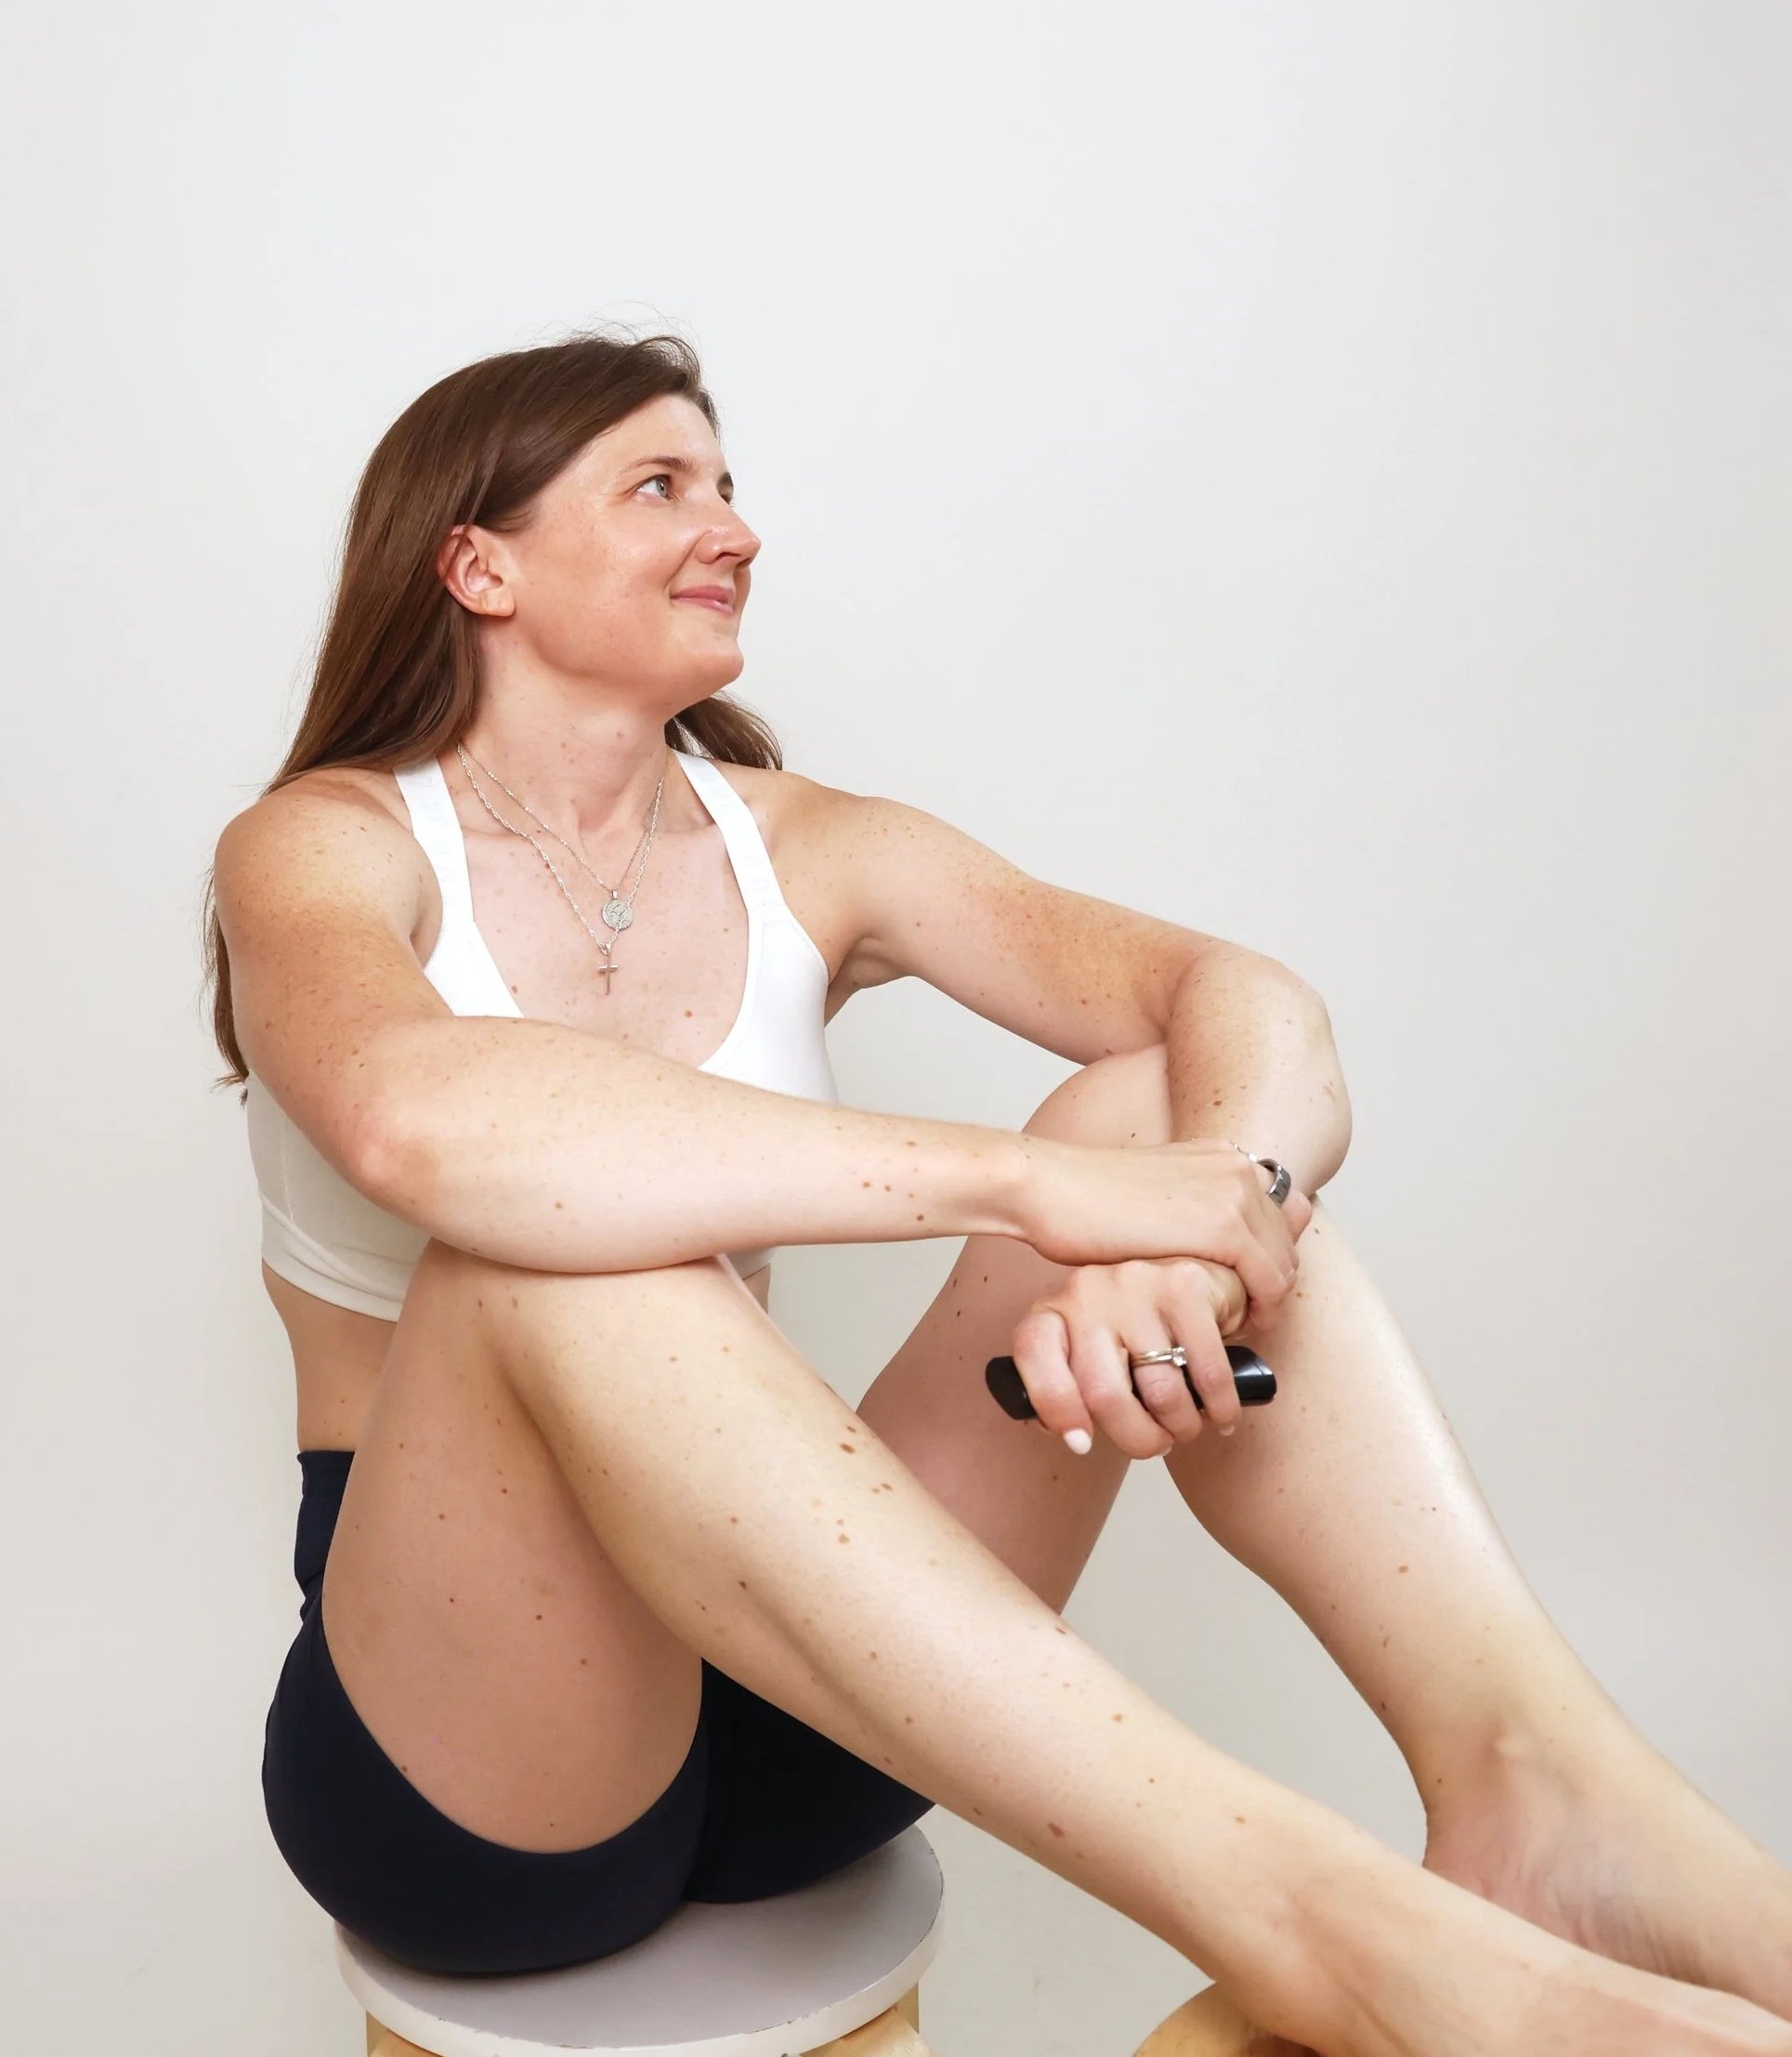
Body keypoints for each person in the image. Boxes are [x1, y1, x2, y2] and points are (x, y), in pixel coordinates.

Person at [203, 331, 1792, 2056]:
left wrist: (1203, 1221)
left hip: (816, 1681)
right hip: (485, 1777)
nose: (730, 525)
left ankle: (1539, 1792)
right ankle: (1320, 1921)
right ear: (478, 562)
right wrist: (1036, 1195)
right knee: (558, 1257)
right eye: (660, 485)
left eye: (728, 485)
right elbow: (421, 1129)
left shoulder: (802, 842)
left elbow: (1242, 1001)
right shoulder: (324, 845)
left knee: (1150, 1107)